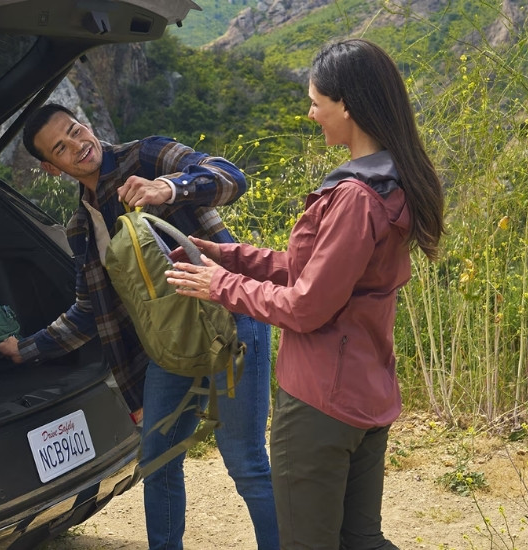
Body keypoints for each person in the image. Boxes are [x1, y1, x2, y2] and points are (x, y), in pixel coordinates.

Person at [165, 38, 445, 549]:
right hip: (367, 389)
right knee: (360, 540)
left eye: (316, 102)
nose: (311, 113)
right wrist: (230, 256)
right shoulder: (393, 181)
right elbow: (313, 272)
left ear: (347, 106)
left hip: (321, 401)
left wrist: (218, 285)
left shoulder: (354, 198)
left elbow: (307, 306)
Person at [0, 103, 279, 549]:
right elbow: (90, 312)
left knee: (245, 461)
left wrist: (168, 189)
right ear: (52, 167)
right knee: (157, 459)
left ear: (86, 124)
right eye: (61, 148)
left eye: (75, 130)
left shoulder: (144, 158)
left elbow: (229, 177)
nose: (78, 146)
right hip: (171, 348)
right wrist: (24, 350)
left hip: (228, 320)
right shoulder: (81, 227)